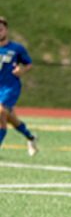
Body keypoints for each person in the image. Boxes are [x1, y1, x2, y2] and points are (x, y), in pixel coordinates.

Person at [0, 16, 38, 156]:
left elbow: (29, 64)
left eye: (1, 29)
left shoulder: (16, 48)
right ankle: (31, 137)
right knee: (10, 119)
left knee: (1, 112)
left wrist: (21, 70)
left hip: (10, 87)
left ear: (6, 30)